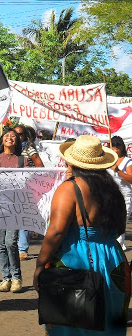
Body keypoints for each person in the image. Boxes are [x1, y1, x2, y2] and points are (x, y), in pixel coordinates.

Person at [33, 135, 131, 335]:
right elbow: (120, 228)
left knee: (72, 325)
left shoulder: (69, 188)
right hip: (114, 261)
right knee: (109, 324)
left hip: (76, 259)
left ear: (71, 161)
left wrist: (40, 265)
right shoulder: (113, 190)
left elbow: (57, 231)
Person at [0, 128, 27, 293]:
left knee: (11, 242)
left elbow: (27, 183)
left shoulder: (22, 161)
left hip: (15, 207)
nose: (9, 138)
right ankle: (6, 278)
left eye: (13, 136)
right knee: (0, 244)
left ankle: (16, 277)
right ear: (1, 140)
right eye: (6, 136)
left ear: (17, 141)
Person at [14, 124, 44, 260]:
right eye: (15, 134)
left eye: (20, 134)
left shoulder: (29, 149)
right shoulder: (8, 149)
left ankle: (22, 248)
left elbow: (40, 166)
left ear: (25, 136)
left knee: (23, 217)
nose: (17, 136)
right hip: (11, 188)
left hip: (26, 187)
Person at [110, 136, 132, 250]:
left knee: (121, 222)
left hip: (124, 196)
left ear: (122, 147)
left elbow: (131, 179)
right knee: (110, 222)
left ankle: (118, 249)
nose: (115, 147)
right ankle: (116, 247)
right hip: (110, 196)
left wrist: (118, 171)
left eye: (118, 145)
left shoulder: (127, 161)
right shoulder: (107, 160)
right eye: (113, 144)